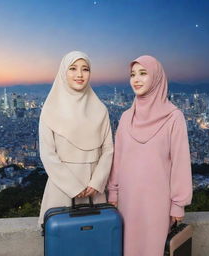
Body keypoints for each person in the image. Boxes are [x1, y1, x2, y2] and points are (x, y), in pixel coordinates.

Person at [108, 55, 193, 256]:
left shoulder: (174, 117)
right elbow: (118, 158)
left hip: (157, 203)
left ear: (156, 78)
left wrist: (178, 204)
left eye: (143, 73)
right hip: (127, 201)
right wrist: (113, 191)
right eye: (132, 75)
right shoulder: (126, 117)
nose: (136, 79)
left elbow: (180, 163)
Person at [38, 51, 113, 228]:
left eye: (85, 69)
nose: (79, 74)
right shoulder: (50, 111)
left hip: (94, 189)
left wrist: (97, 182)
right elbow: (48, 154)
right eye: (73, 68)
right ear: (63, 72)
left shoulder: (100, 110)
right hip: (61, 188)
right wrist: (73, 186)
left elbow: (108, 149)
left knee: (96, 241)